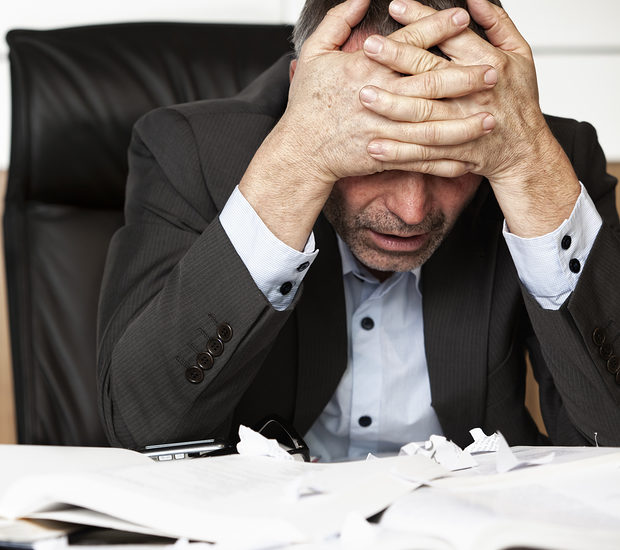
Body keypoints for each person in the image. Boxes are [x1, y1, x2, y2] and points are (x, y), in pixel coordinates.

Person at [97, 0, 620, 460]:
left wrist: (529, 166)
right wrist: (297, 160)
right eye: (375, 157)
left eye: (452, 161)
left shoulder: (540, 158)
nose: (412, 211)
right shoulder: (192, 152)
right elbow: (141, 425)